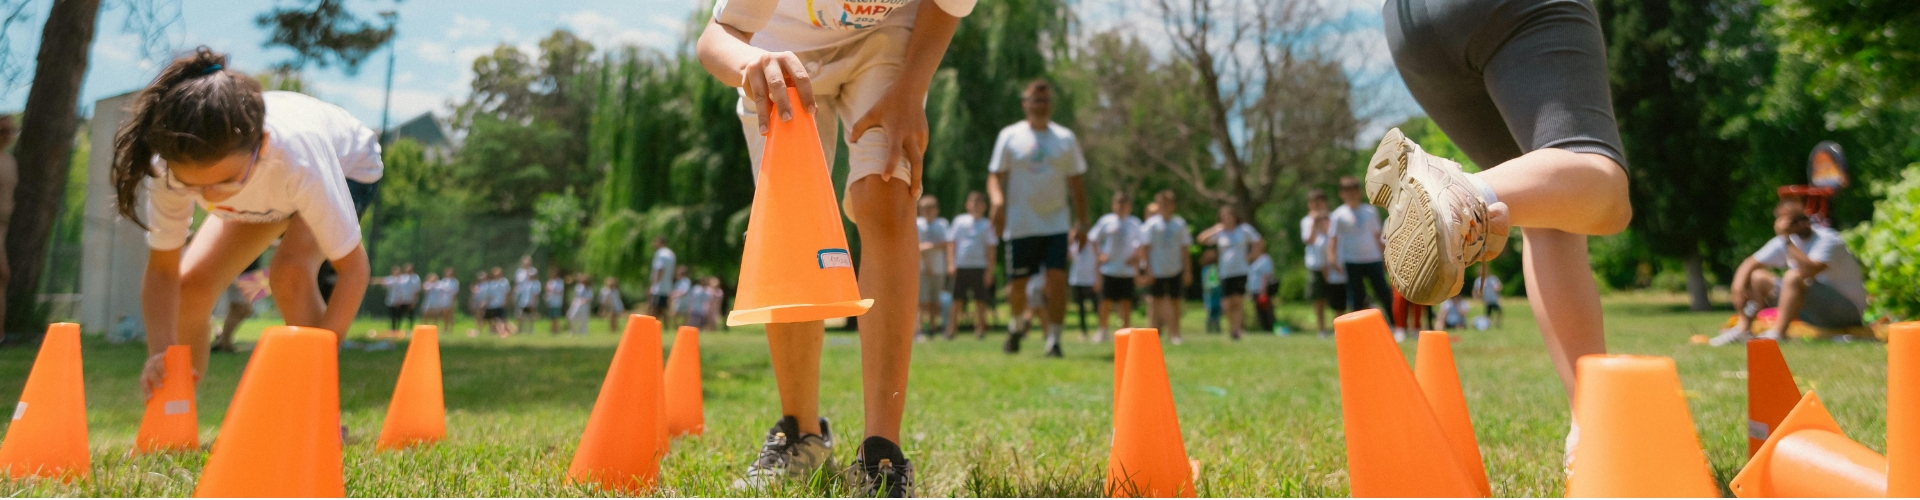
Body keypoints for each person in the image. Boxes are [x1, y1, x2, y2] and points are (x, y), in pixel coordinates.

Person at [696, 0, 974, 490]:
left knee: (886, 193)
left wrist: (911, 90)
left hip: (886, 40)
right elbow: (716, 38)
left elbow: (946, 6)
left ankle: (881, 452)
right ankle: (800, 433)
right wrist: (750, 65)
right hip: (778, 53)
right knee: (791, 216)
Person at [1376, 0, 1636, 464]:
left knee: (1551, 213)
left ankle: (1592, 430)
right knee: (1603, 184)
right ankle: (1461, 195)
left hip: (1410, 28)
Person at [117, 48, 380, 395]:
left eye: (224, 182)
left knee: (290, 273)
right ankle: (175, 413)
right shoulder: (168, 169)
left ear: (263, 145)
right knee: (190, 288)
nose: (211, 197)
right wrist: (162, 353)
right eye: (194, 186)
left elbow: (353, 270)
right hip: (266, 187)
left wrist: (321, 361)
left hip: (348, 165)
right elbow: (164, 272)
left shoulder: (298, 159)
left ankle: (319, 416)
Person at [988, 79, 1091, 358]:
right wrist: (997, 201)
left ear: (1051, 104)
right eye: (1035, 100)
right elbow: (994, 176)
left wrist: (1082, 223)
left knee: (1056, 282)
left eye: (1044, 100)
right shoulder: (1010, 136)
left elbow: (1077, 183)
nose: (1040, 105)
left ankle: (1054, 341)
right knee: (1017, 287)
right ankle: (1016, 324)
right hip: (1021, 224)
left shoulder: (1065, 138)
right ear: (1025, 104)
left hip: (1056, 223)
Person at [1713, 199, 1869, 345]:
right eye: (1793, 221)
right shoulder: (1787, 241)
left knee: (1793, 276)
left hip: (1846, 312)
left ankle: (1778, 333)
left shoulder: (1828, 239)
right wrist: (1738, 288)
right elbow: (1750, 263)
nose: (1800, 224)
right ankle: (1743, 330)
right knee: (1757, 277)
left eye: (1802, 219)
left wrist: (1787, 239)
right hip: (1814, 311)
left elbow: (1808, 270)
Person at [1327, 176, 1391, 315]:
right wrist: (1332, 258)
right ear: (1342, 194)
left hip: (1372, 258)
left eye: (1354, 190)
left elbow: (1377, 235)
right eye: (1347, 191)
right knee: (1356, 295)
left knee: (1383, 291)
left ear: (1359, 192)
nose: (1351, 194)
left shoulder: (1370, 211)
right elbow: (1333, 239)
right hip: (1352, 260)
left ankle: (1395, 324)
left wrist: (1385, 256)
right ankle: (1357, 327)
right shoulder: (1338, 215)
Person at [1198, 206, 1263, 340]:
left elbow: (1259, 241)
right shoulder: (1220, 233)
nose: (1227, 219)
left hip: (1241, 270)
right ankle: (1232, 326)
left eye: (1229, 216)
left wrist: (1251, 256)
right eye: (1224, 217)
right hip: (1225, 272)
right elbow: (1201, 239)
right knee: (1227, 304)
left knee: (1238, 301)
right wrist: (1215, 229)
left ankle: (1237, 330)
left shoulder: (1244, 229)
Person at [1136, 191, 1192, 345]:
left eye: (1168, 203)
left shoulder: (1179, 224)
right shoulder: (1151, 225)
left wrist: (1187, 271)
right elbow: (1145, 249)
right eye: (1162, 203)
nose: (1165, 207)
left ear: (1173, 206)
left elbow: (1185, 249)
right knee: (1155, 303)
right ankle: (1152, 336)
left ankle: (1175, 334)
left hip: (1175, 269)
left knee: (1175, 302)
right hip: (1157, 270)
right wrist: (1148, 271)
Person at [1087, 191, 1143, 343]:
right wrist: (1099, 255)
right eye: (1118, 204)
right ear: (1113, 205)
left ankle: (1126, 332)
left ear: (1130, 207)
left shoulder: (1135, 223)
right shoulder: (1106, 221)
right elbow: (1092, 238)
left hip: (1127, 271)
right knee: (1105, 302)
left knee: (1126, 303)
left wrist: (1136, 256)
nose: (1121, 207)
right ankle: (1102, 331)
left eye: (1124, 204)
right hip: (1109, 270)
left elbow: (1142, 243)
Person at [945, 191, 998, 340]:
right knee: (957, 299)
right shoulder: (959, 221)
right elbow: (951, 243)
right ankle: (951, 331)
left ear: (984, 206)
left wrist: (989, 271)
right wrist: (951, 263)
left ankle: (980, 330)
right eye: (973, 203)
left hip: (979, 266)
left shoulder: (987, 225)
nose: (976, 206)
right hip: (960, 266)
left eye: (979, 203)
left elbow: (991, 249)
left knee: (980, 300)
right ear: (967, 205)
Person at [1301, 190, 1336, 336]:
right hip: (1315, 264)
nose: (1316, 205)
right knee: (1318, 299)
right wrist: (1315, 224)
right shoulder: (1306, 221)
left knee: (1336, 298)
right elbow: (1308, 240)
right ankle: (1321, 329)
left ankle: (1337, 327)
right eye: (1313, 203)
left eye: (1319, 202)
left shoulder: (1333, 217)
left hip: (1332, 264)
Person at [915, 196, 951, 340]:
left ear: (936, 209)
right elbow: (916, 246)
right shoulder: (916, 224)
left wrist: (929, 246)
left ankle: (932, 329)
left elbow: (947, 243)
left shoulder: (942, 224)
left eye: (930, 207)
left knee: (935, 302)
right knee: (921, 301)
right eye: (923, 207)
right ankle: (918, 330)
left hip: (939, 268)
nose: (927, 211)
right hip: (921, 269)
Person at [1067, 230, 1098, 341]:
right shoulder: (1074, 245)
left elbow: (1097, 260)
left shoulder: (1091, 243)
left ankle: (1100, 329)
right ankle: (1084, 331)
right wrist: (1070, 239)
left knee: (1096, 306)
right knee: (1080, 308)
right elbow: (1067, 256)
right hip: (1076, 280)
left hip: (1090, 280)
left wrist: (1098, 279)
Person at [1247, 239, 1277, 334]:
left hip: (1262, 290)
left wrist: (1263, 291)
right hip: (1255, 290)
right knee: (1260, 311)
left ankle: (1269, 329)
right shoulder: (1256, 260)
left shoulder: (1265, 259)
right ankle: (1265, 329)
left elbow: (1265, 276)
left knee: (1266, 311)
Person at [648, 237, 676, 319]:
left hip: (659, 287)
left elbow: (660, 269)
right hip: (668, 286)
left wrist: (654, 284)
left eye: (655, 242)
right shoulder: (671, 254)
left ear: (660, 242)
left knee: (654, 307)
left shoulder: (660, 253)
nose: (653, 244)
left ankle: (651, 326)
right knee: (664, 309)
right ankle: (666, 327)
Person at [1472, 265, 1504, 329]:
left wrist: (1497, 288)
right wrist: (1476, 297)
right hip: (1486, 300)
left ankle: (1497, 323)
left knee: (1499, 311)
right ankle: (1487, 324)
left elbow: (1500, 286)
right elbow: (1475, 290)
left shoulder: (1493, 279)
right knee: (1488, 314)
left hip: (1494, 299)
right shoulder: (1478, 280)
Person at [484, 267, 512, 338]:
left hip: (500, 303)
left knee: (502, 318)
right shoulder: (492, 283)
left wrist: (505, 301)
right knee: (491, 318)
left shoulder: (504, 282)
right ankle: (493, 330)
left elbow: (507, 293)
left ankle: (505, 331)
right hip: (492, 304)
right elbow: (489, 294)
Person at [513, 266, 541, 335]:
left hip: (531, 303)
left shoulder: (536, 283)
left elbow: (536, 294)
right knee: (520, 316)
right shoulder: (526, 283)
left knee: (531, 317)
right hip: (524, 302)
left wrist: (533, 303)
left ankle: (530, 330)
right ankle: (520, 329)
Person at [1200, 249, 1222, 335]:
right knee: (1215, 310)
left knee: (1211, 310)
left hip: (1209, 292)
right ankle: (1215, 327)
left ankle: (1211, 327)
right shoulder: (1215, 268)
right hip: (1215, 292)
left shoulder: (1205, 269)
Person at [668, 265, 694, 330]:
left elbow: (684, 292)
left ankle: (682, 328)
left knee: (683, 315)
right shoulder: (679, 282)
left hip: (684, 301)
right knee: (675, 314)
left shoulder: (686, 281)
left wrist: (675, 295)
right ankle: (678, 328)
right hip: (679, 301)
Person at [545, 268, 567, 335]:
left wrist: (552, 290)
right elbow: (547, 290)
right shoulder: (550, 282)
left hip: (557, 302)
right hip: (551, 301)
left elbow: (559, 291)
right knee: (552, 316)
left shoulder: (560, 282)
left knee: (556, 316)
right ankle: (552, 329)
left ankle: (557, 329)